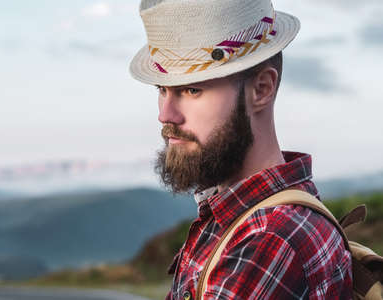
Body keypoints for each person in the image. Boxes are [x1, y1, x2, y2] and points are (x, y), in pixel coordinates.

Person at [129, 0, 353, 299]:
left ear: (261, 89)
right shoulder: (239, 215)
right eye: (162, 90)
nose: (166, 114)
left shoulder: (267, 240)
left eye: (192, 89)